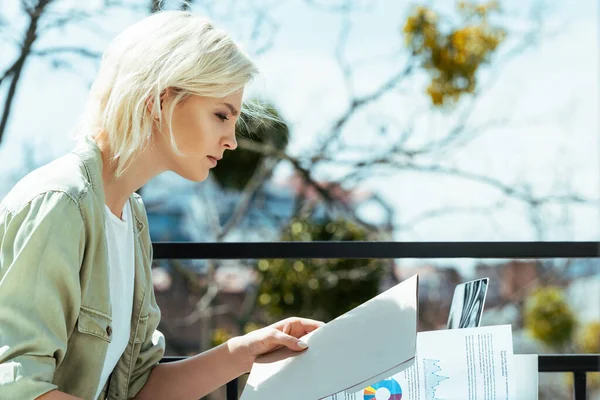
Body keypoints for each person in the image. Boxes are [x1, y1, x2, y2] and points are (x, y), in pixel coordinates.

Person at [0, 10, 324, 400]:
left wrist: (245, 351)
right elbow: (17, 390)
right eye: (221, 115)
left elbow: (138, 387)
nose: (231, 140)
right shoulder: (61, 204)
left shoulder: (130, 218)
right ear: (160, 100)